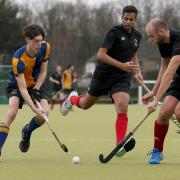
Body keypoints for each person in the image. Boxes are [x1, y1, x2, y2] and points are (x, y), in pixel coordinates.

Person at [61, 5, 142, 157]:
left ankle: (119, 144)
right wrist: (121, 65)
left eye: (131, 19)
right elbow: (100, 55)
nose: (128, 22)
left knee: (122, 105)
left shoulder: (137, 36)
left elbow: (133, 55)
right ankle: (72, 98)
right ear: (122, 18)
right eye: (125, 19)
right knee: (85, 105)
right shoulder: (114, 32)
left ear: (136, 20)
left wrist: (138, 72)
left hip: (122, 77)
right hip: (104, 75)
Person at [0, 24, 50, 156]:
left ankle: (27, 131)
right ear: (27, 40)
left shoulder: (45, 48)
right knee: (12, 112)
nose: (39, 44)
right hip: (17, 85)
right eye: (36, 41)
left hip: (36, 83)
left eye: (41, 40)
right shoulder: (18, 59)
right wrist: (34, 108)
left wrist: (36, 89)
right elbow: (22, 89)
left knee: (44, 115)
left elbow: (44, 72)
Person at [142, 18, 180, 164]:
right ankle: (157, 151)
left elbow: (170, 74)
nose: (150, 39)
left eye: (151, 36)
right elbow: (164, 66)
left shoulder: (178, 41)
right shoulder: (163, 43)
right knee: (164, 113)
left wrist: (157, 99)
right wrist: (154, 91)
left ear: (162, 31)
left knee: (178, 113)